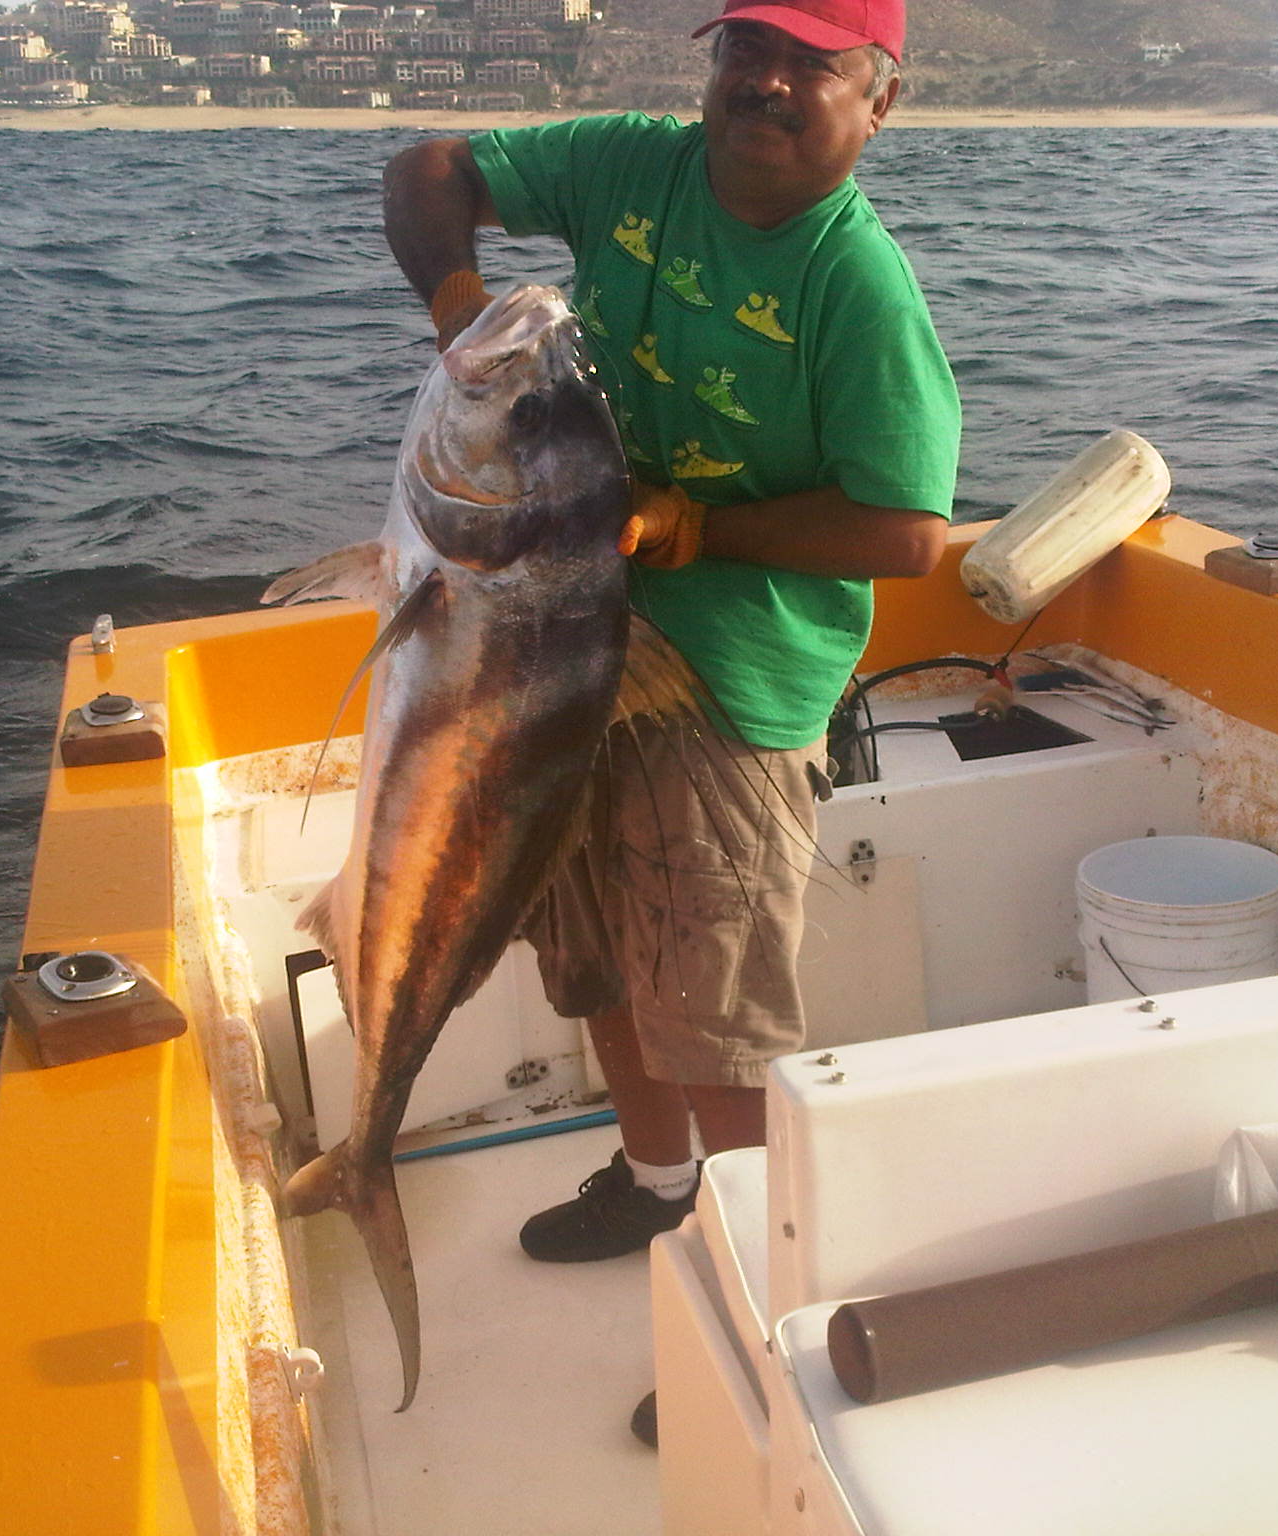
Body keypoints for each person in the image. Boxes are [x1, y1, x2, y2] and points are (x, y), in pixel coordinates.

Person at [380, 0, 960, 1434]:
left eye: (810, 63)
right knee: (593, 963)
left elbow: (905, 534)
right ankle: (654, 1186)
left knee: (720, 1024)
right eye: (743, 49)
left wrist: (698, 523)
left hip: (731, 679)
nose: (764, 82)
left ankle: (777, 1325)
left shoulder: (859, 287)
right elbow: (431, 169)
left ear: (876, 101)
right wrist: (461, 301)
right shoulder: (635, 161)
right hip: (564, 640)